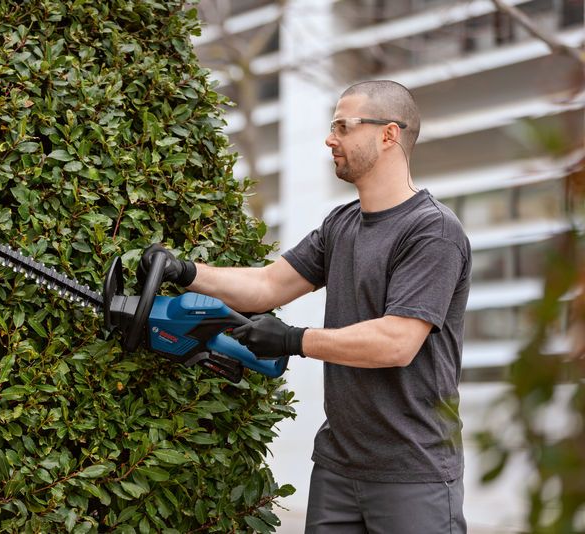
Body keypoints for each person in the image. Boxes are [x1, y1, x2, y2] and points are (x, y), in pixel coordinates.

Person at [139, 80, 470, 533]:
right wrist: (184, 270)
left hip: (412, 471)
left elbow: (397, 342)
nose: (330, 138)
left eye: (342, 126)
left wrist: (295, 341)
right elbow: (267, 285)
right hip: (338, 465)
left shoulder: (432, 232)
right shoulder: (341, 224)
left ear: (388, 134)